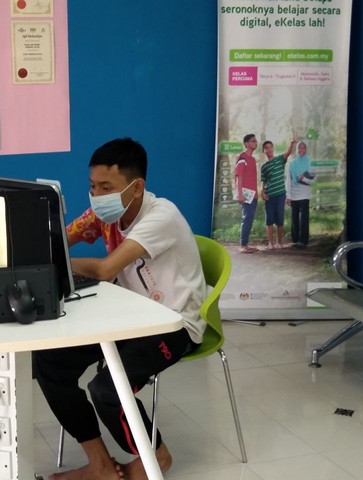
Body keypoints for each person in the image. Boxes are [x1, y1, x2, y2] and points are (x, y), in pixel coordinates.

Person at [33, 138, 206, 480]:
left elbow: (104, 269)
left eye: (106, 187)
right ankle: (99, 464)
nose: (97, 195)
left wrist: (57, 263)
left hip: (173, 325)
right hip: (129, 318)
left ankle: (156, 457)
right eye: (92, 186)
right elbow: (58, 241)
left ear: (136, 187)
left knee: (107, 390)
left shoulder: (161, 216)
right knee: (49, 362)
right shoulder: (105, 214)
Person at [260, 138, 296, 249]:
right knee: (269, 220)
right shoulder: (264, 167)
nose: (269, 149)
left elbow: (288, 152)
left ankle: (279, 242)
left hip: (280, 194)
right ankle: (270, 243)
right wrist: (263, 192)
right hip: (269, 196)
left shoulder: (280, 159)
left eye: (270, 147)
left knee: (280, 219)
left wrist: (292, 143)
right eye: (266, 148)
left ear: (273, 148)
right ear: (264, 151)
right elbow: (264, 182)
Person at [287, 141, 316, 249]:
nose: (301, 150)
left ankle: (303, 241)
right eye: (299, 148)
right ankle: (295, 240)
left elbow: (313, 180)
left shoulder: (310, 163)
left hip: (305, 194)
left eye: (303, 148)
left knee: (304, 219)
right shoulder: (292, 164)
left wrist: (303, 179)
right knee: (294, 218)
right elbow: (288, 181)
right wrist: (288, 196)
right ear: (296, 150)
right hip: (294, 194)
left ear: (306, 149)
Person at [234, 133, 259, 253]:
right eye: (253, 141)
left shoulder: (253, 160)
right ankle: (243, 245)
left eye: (256, 141)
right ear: (246, 143)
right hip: (245, 194)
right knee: (246, 218)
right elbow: (239, 176)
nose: (255, 143)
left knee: (249, 219)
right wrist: (240, 194)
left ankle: (246, 244)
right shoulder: (242, 157)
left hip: (254, 195)